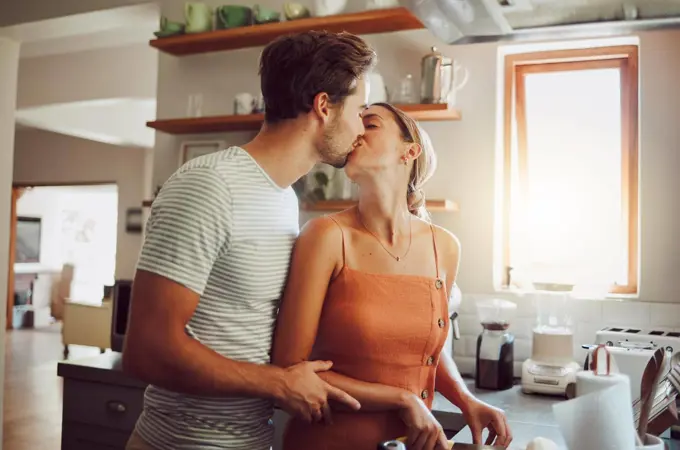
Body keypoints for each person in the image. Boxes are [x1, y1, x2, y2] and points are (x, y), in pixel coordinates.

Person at [121, 30, 376, 450]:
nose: (362, 127)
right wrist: (279, 384)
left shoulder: (282, 199)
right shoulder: (209, 185)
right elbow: (147, 349)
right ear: (324, 107)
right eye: (360, 109)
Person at [271, 103, 513, 450]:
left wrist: (465, 399)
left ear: (409, 151)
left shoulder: (443, 246)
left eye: (370, 124)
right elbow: (290, 367)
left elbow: (427, 349)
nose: (356, 132)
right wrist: (403, 399)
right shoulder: (325, 236)